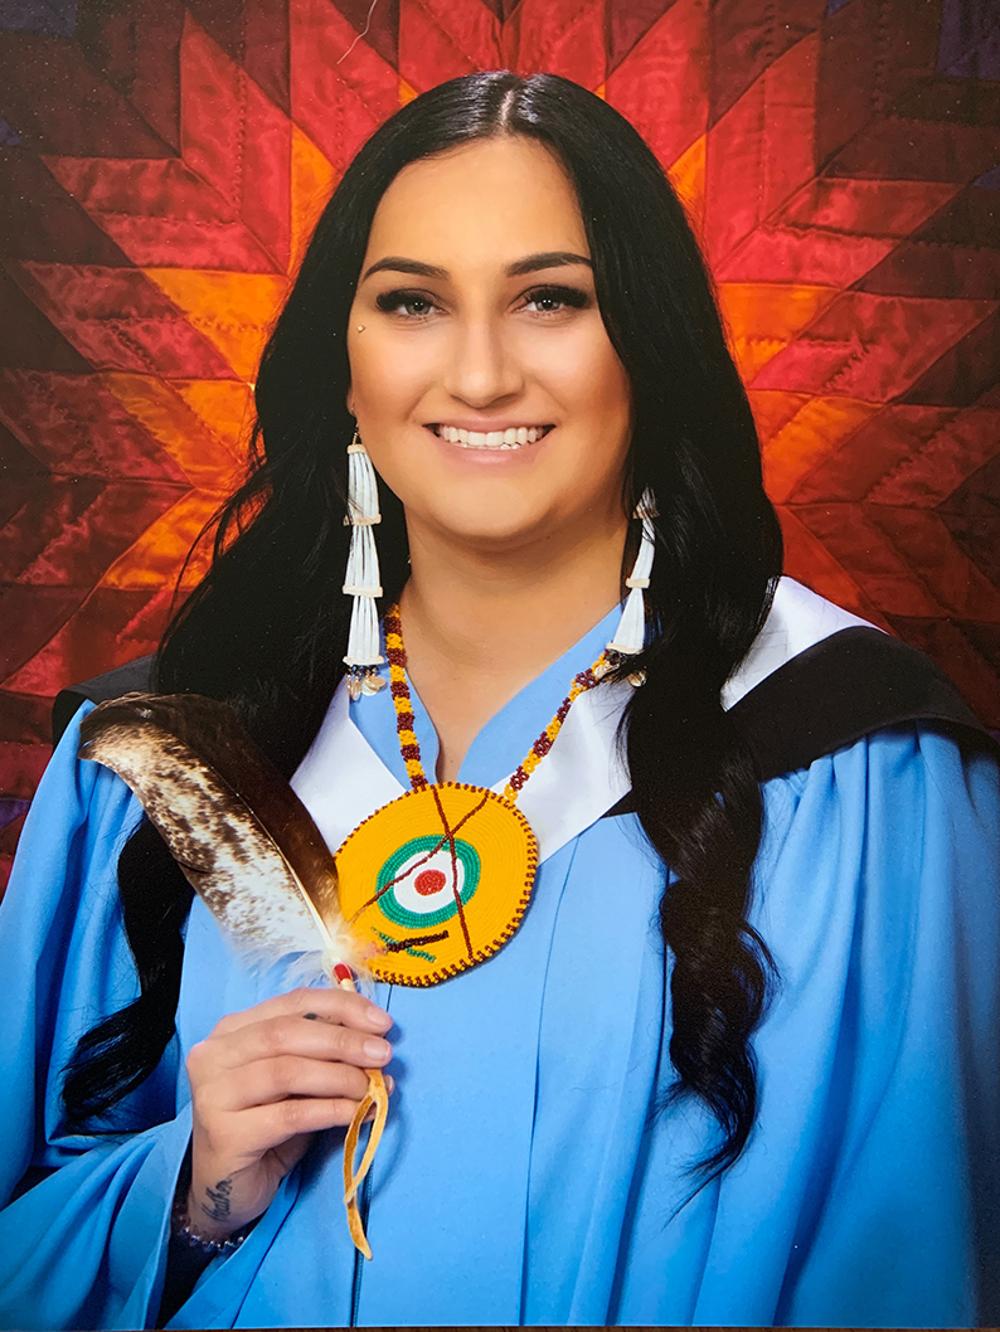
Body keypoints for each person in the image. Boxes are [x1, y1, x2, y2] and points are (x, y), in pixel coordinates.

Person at [0, 69, 998, 1330]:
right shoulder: (160, 767)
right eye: (411, 301)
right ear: (344, 369)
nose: (478, 375)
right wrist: (191, 1187)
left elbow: (911, 1273)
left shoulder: (863, 769)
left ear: (649, 345)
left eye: (550, 299)